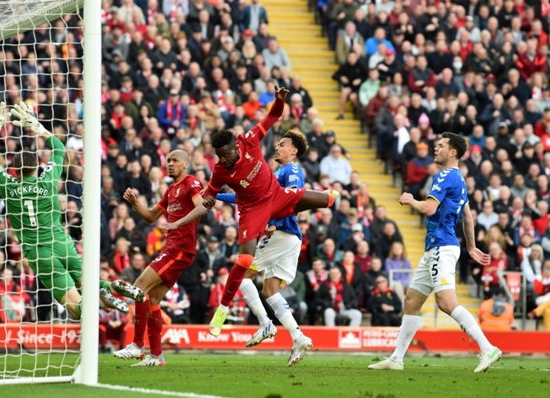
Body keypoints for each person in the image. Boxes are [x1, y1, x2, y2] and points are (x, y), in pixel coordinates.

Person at [162, 87, 339, 337]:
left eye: (227, 154)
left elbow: (273, 116)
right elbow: (207, 199)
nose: (225, 160)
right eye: (220, 157)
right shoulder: (219, 171)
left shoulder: (250, 139)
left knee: (326, 200)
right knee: (245, 261)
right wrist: (201, 206)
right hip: (252, 211)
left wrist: (279, 100)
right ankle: (222, 311)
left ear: (236, 146)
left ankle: (332, 197)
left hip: (275, 196)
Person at [0, 100, 145, 322]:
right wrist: (36, 126)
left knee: (75, 307)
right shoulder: (47, 180)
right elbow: (59, 148)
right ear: (37, 166)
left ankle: (101, 303)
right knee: (85, 282)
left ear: (15, 170)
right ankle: (114, 287)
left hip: (39, 253)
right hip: (62, 243)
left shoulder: (8, 185)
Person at [370, 132, 501, 373]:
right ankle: (396, 359)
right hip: (437, 247)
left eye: (440, 146)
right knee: (411, 301)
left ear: (452, 152)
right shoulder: (459, 179)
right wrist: (470, 247)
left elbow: (429, 209)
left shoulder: (445, 175)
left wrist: (409, 200)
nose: (435, 148)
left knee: (446, 302)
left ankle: (488, 348)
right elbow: (468, 217)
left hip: (441, 245)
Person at [216, 130, 313, 366]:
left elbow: (294, 198)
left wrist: (274, 222)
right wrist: (215, 195)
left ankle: (264, 323)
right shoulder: (277, 173)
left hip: (282, 233)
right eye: (278, 144)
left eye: (283, 144)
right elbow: (247, 199)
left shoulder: (292, 170)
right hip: (288, 238)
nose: (277, 147)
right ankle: (298, 337)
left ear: (294, 151)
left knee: (243, 275)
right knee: (270, 291)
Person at [113, 150, 203, 366]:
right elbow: (151, 216)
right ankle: (156, 356)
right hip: (172, 248)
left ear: (185, 164)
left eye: (175, 161)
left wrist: (176, 224)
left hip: (179, 249)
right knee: (151, 299)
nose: (170, 164)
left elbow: (202, 208)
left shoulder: (192, 183)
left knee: (138, 287)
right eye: (168, 161)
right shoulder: (171, 191)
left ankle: (137, 345)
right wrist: (135, 203)